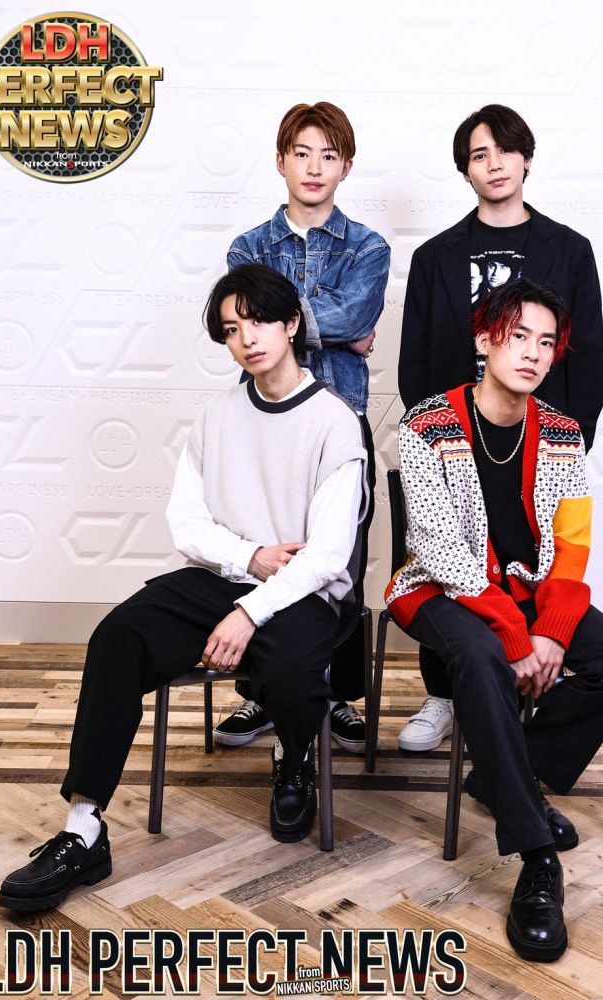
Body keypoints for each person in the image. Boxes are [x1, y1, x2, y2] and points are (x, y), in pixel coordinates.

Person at [0, 264, 368, 912]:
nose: (246, 338)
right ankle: (83, 829)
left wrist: (248, 613)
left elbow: (328, 555)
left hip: (303, 592)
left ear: (290, 324)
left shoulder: (334, 422)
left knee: (292, 671)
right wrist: (248, 557)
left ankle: (293, 752)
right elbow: (187, 525)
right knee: (118, 636)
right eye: (231, 328)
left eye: (258, 320)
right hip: (225, 575)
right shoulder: (216, 416)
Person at [386, 279, 603, 962]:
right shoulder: (425, 426)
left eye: (546, 342)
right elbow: (438, 548)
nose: (532, 352)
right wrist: (514, 636)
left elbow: (572, 545)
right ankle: (536, 859)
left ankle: (502, 777)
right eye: (517, 336)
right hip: (439, 589)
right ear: (484, 339)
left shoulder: (562, 433)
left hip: (527, 592)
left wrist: (550, 630)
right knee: (479, 660)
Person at [397, 104, 603, 755]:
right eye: (478, 155)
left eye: (505, 151)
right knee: (447, 559)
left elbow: (587, 363)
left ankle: (526, 690)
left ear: (526, 159)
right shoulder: (435, 256)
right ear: (465, 170)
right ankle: (444, 692)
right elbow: (415, 364)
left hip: (534, 446)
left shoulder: (569, 250)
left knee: (533, 561)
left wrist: (560, 450)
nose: (493, 164)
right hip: (454, 444)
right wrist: (437, 443)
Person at [217, 101, 390, 755]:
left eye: (328, 155)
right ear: (280, 161)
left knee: (339, 560)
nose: (314, 167)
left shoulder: (369, 247)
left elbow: (353, 315)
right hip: (262, 424)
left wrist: (293, 319)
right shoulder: (248, 248)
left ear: (346, 166)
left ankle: (336, 696)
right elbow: (258, 323)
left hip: (340, 421)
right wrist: (337, 327)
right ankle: (263, 692)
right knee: (266, 551)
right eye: (301, 153)